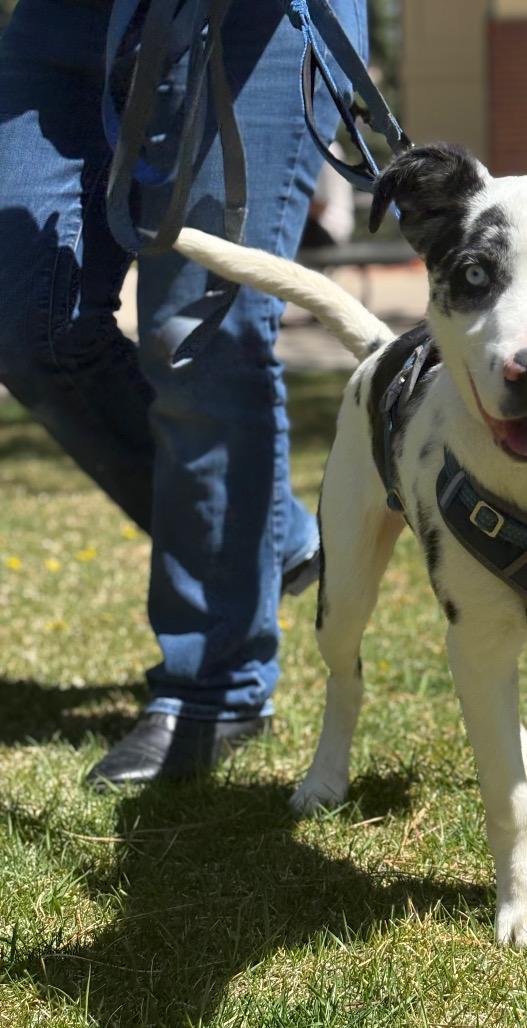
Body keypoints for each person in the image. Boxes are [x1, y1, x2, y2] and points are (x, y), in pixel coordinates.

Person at [0, 0, 366, 786]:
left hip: (248, 22)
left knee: (198, 332)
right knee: (26, 326)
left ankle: (214, 685)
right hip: (67, 23)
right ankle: (273, 536)